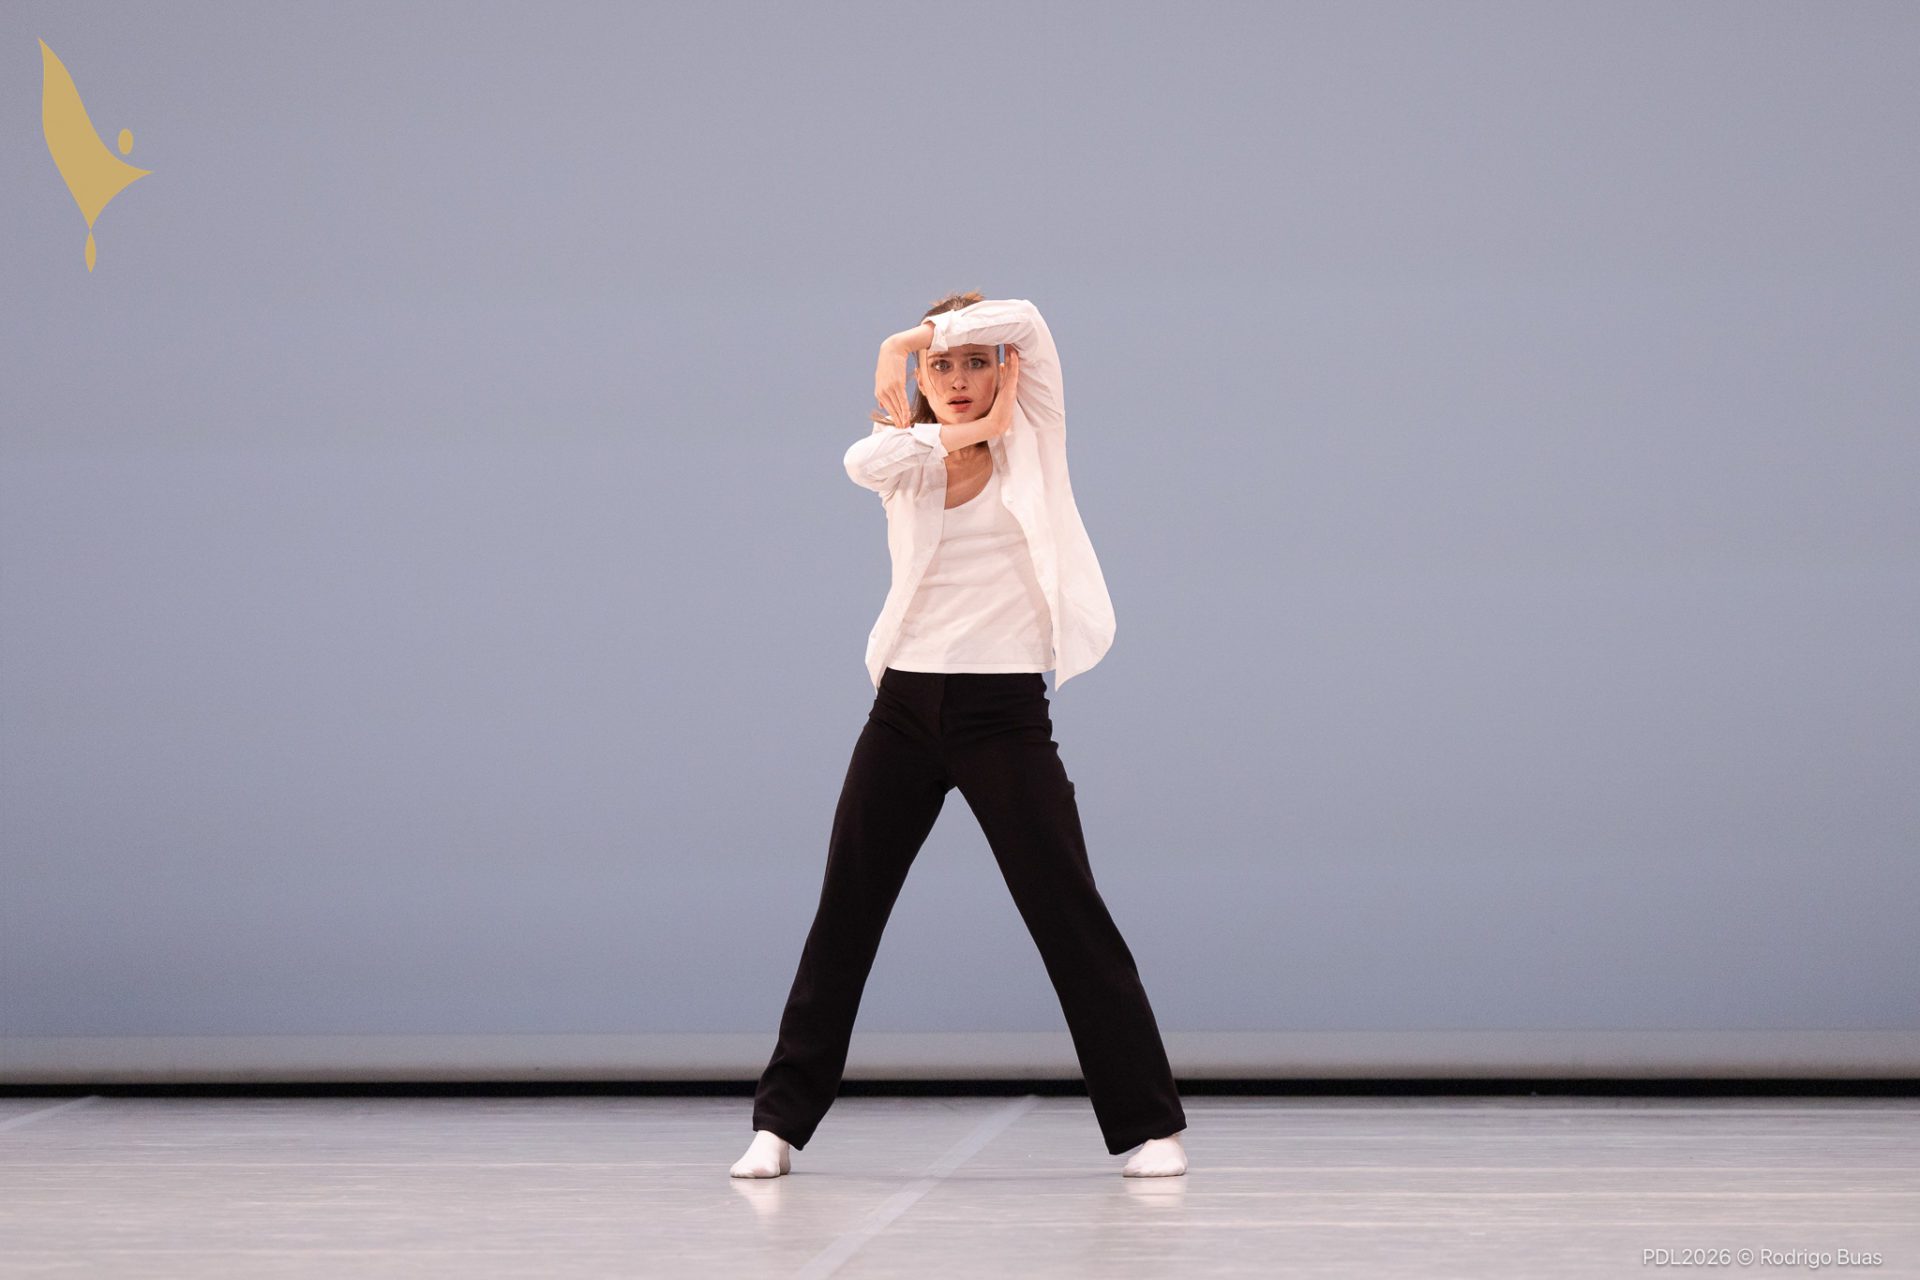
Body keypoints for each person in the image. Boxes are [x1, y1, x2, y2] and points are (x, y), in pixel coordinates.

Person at [731, 294, 1188, 1179]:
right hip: (903, 710)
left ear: (1004, 369)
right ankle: (776, 1126)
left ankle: (1151, 1127)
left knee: (1068, 912)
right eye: (940, 366)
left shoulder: (1035, 436)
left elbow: (1031, 321)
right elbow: (860, 460)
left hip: (1003, 713)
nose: (958, 378)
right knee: (845, 914)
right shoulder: (907, 454)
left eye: (976, 362)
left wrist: (931, 338)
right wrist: (913, 373)